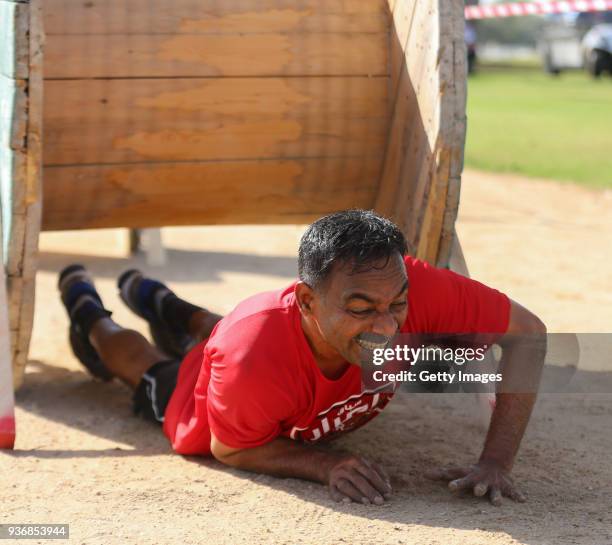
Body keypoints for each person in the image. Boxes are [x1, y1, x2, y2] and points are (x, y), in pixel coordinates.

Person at [58, 210, 546, 507]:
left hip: (254, 343)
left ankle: (161, 302)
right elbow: (232, 449)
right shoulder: (252, 354)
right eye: (360, 309)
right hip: (216, 384)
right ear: (308, 302)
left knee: (224, 334)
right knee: (150, 368)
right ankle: (88, 309)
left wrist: (496, 462)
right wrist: (322, 465)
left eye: (396, 305)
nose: (385, 326)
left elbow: (529, 334)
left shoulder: (406, 285)